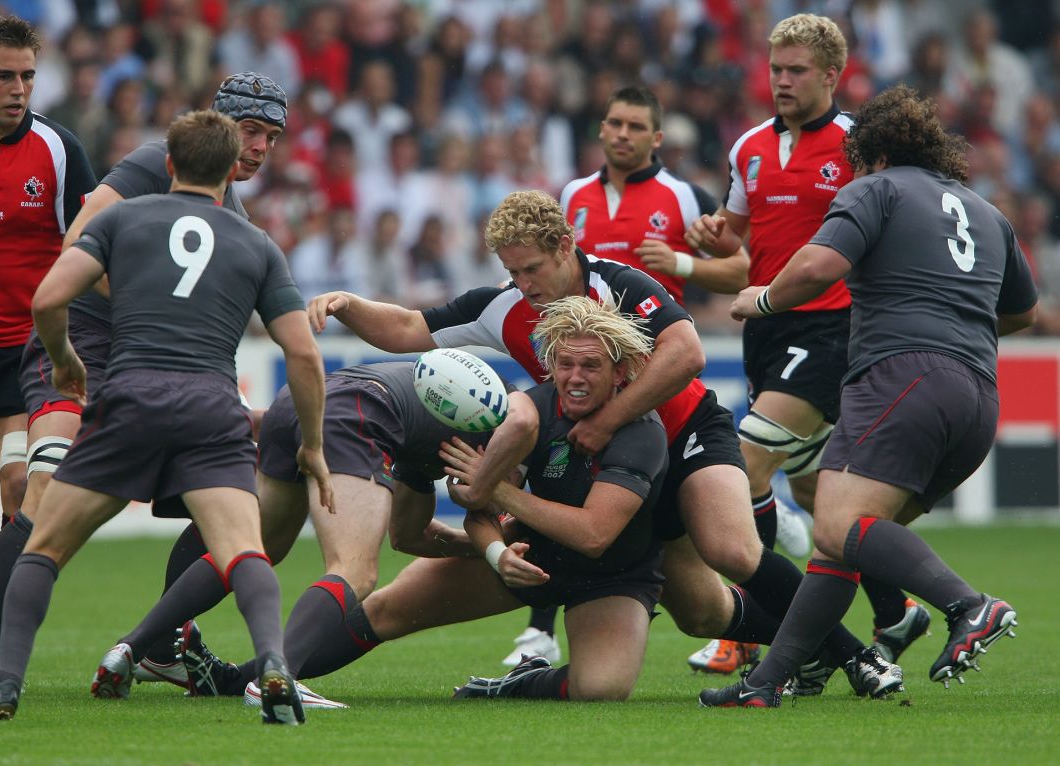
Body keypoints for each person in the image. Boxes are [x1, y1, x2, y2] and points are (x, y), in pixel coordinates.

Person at [303, 190, 882, 696]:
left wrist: (609, 421)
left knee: (730, 553)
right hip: (601, 465)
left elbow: (687, 355)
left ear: (563, 245)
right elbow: (408, 328)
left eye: (531, 269)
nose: (523, 286)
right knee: (700, 612)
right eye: (512, 272)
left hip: (684, 438)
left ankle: (855, 654)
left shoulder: (621, 282)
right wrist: (349, 305)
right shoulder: (506, 305)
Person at [0, 109, 333, 725]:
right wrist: (312, 445)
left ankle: (3, 684)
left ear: (167, 166)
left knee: (44, 547)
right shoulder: (256, 244)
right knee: (244, 552)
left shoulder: (124, 219)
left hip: (129, 400)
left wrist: (63, 361)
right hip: (212, 409)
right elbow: (303, 356)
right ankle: (271, 665)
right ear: (227, 175)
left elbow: (48, 296)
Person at [699, 85, 1037, 708]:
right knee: (842, 540)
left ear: (871, 153)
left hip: (901, 376)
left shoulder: (875, 188)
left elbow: (819, 266)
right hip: (978, 397)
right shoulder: (989, 214)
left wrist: (763, 298)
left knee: (838, 521)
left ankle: (971, 606)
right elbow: (1022, 312)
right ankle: (768, 684)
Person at [200, 296, 671, 701]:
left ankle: (517, 684)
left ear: (621, 371)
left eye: (591, 366)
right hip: (531, 554)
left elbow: (594, 534)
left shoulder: (641, 433)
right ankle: (241, 679)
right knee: (386, 610)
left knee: (602, 689)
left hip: (616, 573)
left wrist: (501, 491)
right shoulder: (530, 412)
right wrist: (495, 550)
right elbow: (479, 511)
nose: (575, 377)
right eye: (565, 364)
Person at [685, 13, 926, 678]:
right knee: (822, 495)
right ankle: (895, 610)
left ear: (831, 75)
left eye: (796, 71)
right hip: (767, 329)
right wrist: (712, 238)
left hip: (832, 326)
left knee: (746, 466)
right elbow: (737, 233)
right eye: (776, 69)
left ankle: (763, 631)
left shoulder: (857, 146)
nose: (782, 81)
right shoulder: (749, 147)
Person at [107, 359, 536, 708]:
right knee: (355, 570)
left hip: (302, 400)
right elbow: (515, 430)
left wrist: (481, 549)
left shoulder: (437, 440)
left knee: (254, 547)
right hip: (360, 409)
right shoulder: (512, 423)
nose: (499, 507)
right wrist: (488, 496)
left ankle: (132, 649)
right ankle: (277, 679)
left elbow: (408, 536)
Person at [555, 83, 807, 675]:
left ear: (657, 138)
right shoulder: (572, 196)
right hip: (595, 379)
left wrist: (685, 265)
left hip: (659, 385)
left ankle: (784, 623)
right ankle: (542, 633)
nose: (621, 134)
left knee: (712, 543)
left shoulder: (683, 196)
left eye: (635, 127)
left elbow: (744, 267)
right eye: (613, 123)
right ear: (601, 129)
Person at [0, 16, 96, 700]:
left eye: (28, 77)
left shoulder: (59, 150)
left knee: (21, 492)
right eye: (5, 76)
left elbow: (92, 248)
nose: (18, 90)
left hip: (26, 358)